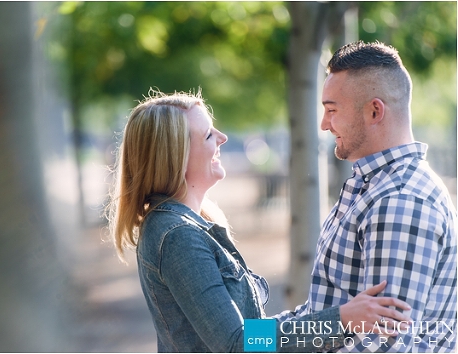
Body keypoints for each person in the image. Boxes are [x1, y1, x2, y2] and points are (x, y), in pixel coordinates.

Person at [107, 89, 413, 352]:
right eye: (209, 134)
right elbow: (239, 342)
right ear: (177, 154)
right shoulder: (177, 236)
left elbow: (250, 331)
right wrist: (341, 319)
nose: (223, 138)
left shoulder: (187, 224)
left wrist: (329, 318)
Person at [273, 41, 456, 352]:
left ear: (374, 111)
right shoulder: (371, 188)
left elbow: (386, 346)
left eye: (331, 110)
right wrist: (247, 340)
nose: (324, 124)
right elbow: (319, 315)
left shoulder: (400, 201)